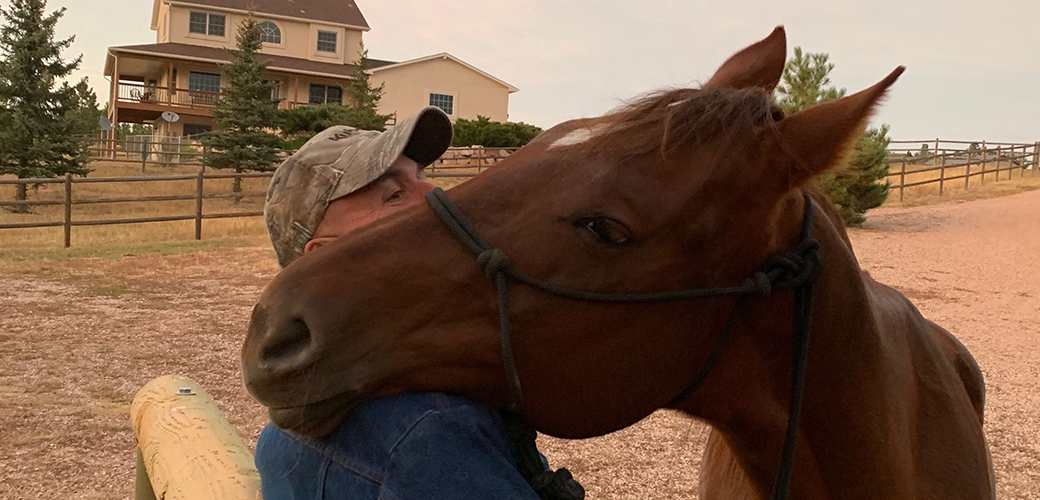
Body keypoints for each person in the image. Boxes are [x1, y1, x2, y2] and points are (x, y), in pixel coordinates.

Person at [249, 107, 583, 500]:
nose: (437, 196)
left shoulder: (300, 408)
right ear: (325, 259)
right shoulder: (426, 429)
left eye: (423, 178)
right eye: (394, 195)